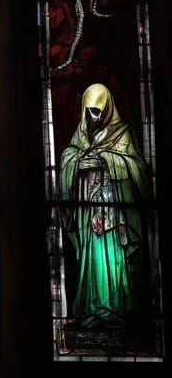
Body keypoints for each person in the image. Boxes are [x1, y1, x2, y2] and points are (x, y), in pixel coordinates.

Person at [58, 82, 150, 328]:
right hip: (88, 211)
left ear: (108, 108)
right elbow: (68, 158)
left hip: (115, 212)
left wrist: (106, 160)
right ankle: (92, 308)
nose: (92, 117)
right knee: (93, 260)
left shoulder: (122, 134)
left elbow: (138, 169)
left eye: (97, 111)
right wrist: (77, 164)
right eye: (88, 111)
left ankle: (116, 308)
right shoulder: (80, 135)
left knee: (114, 259)